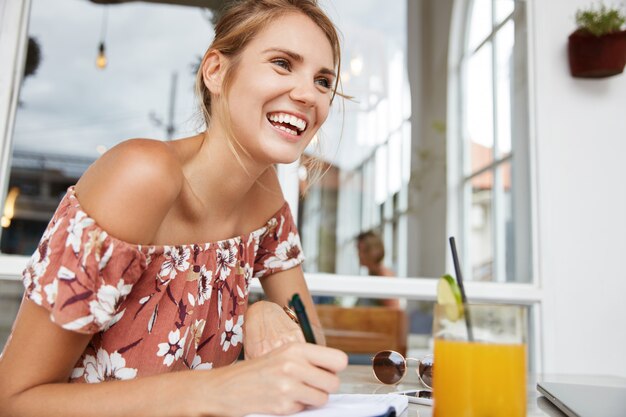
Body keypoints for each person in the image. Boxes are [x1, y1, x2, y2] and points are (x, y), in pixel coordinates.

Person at [0, 1, 349, 416]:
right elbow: (13, 400)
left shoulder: (266, 196)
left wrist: (265, 312)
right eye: (281, 63)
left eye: (323, 81)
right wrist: (214, 390)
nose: (308, 93)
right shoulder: (141, 175)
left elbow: (312, 362)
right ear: (216, 71)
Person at [356, 231, 401, 308]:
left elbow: (394, 311)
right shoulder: (372, 275)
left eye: (361, 250)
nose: (358, 254)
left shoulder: (385, 278)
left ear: (374, 252)